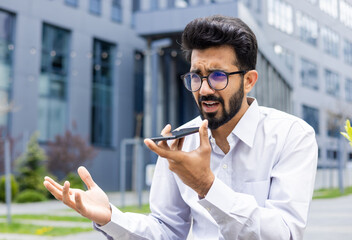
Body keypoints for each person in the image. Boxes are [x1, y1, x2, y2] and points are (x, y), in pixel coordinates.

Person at [44, 15, 318, 239]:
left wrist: (206, 185)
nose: (205, 89)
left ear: (249, 81)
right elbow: (166, 230)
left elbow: (285, 233)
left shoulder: (292, 136)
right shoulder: (179, 144)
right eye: (196, 77)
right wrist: (110, 217)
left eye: (218, 76)